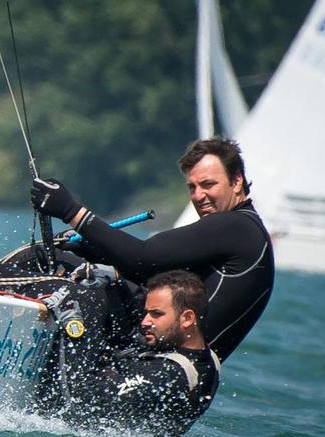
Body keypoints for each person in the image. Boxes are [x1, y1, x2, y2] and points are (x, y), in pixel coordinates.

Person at [30, 137, 274, 363]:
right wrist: (93, 249)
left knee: (42, 260)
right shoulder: (245, 231)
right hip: (177, 372)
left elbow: (144, 258)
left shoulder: (237, 226)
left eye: (208, 184)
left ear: (237, 181)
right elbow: (155, 277)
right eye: (192, 187)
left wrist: (71, 211)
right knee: (86, 270)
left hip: (165, 369)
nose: (199, 196)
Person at [58, 270, 220, 437]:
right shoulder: (202, 354)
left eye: (156, 314)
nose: (145, 321)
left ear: (187, 318)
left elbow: (82, 399)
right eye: (147, 312)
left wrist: (74, 328)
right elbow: (129, 337)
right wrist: (116, 285)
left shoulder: (167, 374)